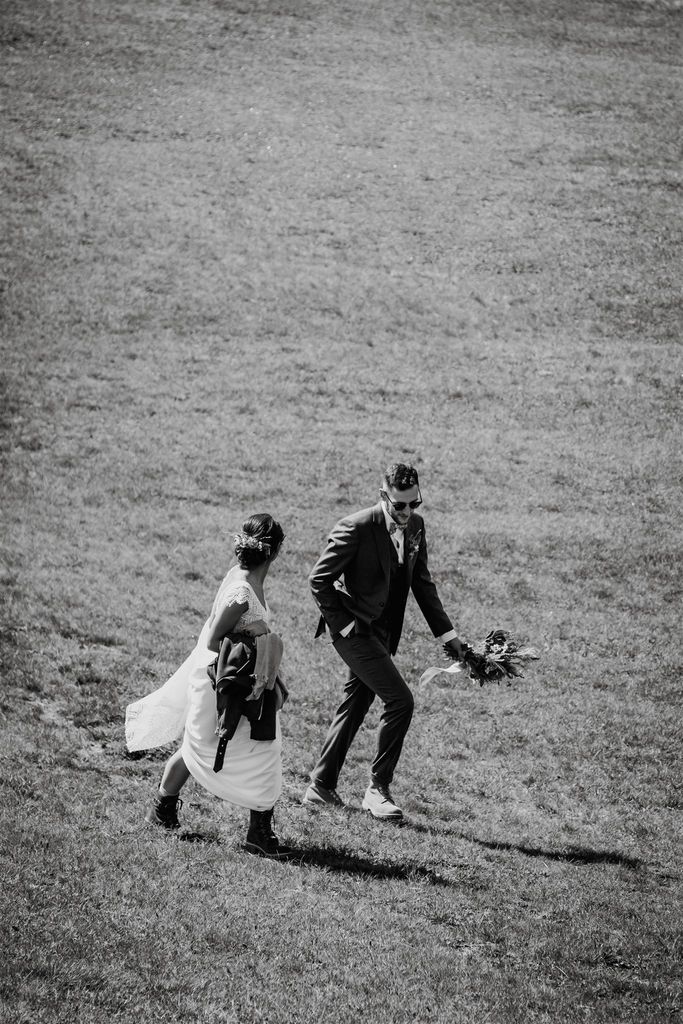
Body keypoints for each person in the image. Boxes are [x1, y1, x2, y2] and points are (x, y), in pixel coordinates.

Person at [303, 463, 463, 820]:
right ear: (383, 496)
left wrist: (451, 639)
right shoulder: (356, 527)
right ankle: (378, 790)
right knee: (400, 700)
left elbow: (422, 585)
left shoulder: (416, 527)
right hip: (355, 633)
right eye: (399, 505)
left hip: (384, 635)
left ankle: (320, 786)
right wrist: (343, 626)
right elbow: (319, 580)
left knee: (356, 705)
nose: (407, 512)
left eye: (414, 503)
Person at [125, 514, 290, 858]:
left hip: (234, 678)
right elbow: (213, 640)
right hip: (222, 683)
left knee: (200, 747)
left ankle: (164, 810)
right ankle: (257, 833)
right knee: (256, 750)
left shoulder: (243, 579)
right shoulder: (242, 592)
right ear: (273, 553)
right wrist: (256, 632)